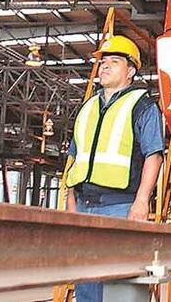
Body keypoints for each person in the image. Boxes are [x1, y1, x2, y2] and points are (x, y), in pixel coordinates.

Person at [65, 34, 164, 302]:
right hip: (84, 206)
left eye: (114, 61)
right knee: (86, 283)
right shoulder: (87, 108)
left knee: (120, 284)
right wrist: (70, 207)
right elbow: (75, 160)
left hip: (120, 206)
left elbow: (153, 155)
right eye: (103, 62)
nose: (105, 66)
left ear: (130, 70)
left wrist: (141, 202)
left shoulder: (143, 106)